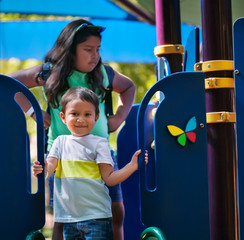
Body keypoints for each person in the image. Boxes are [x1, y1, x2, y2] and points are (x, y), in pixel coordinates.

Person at [9, 19, 136, 240]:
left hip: (100, 154)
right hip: (63, 158)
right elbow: (11, 83)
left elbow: (129, 87)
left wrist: (119, 117)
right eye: (88, 50)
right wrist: (35, 113)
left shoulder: (103, 74)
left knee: (115, 210)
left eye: (97, 49)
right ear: (69, 50)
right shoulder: (50, 73)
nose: (95, 55)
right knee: (62, 218)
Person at [32, 87, 143, 240]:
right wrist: (41, 169)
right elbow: (49, 166)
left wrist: (132, 166)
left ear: (96, 118)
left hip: (96, 217)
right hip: (68, 218)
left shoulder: (99, 144)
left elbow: (109, 178)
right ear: (63, 117)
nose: (81, 119)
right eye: (74, 114)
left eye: (87, 114)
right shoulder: (60, 142)